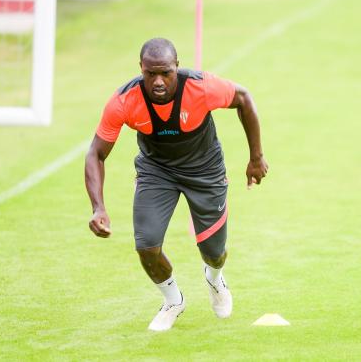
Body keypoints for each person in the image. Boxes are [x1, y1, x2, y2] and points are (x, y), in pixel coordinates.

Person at [85, 37, 268, 331]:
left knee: (214, 251)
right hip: (156, 171)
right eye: (150, 74)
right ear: (141, 69)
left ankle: (214, 278)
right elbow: (96, 153)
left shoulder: (201, 87)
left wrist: (256, 158)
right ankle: (173, 300)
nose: (158, 81)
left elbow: (244, 98)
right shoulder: (124, 101)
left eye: (166, 73)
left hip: (205, 172)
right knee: (146, 246)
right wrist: (98, 207)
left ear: (177, 67)